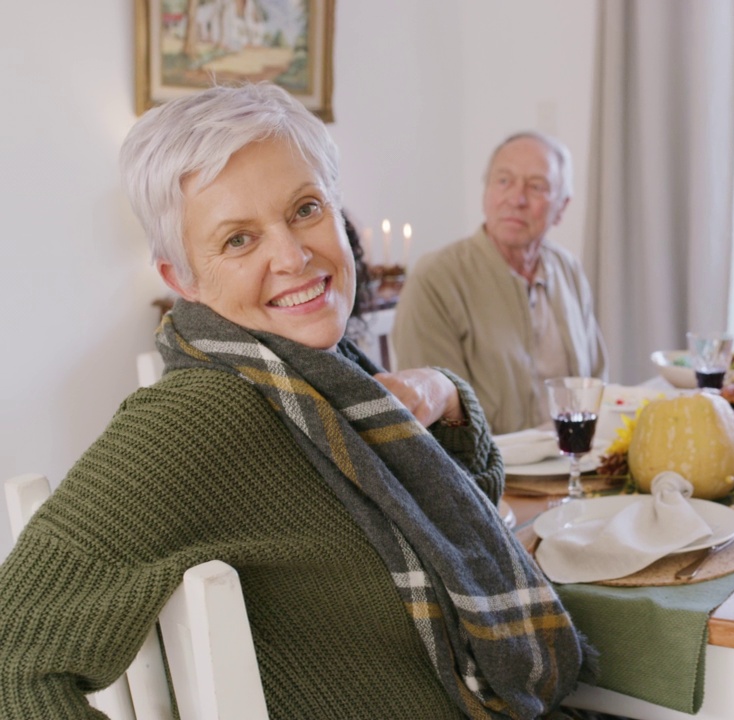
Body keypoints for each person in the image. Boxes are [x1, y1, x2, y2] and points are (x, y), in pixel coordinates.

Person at [0, 84, 592, 719]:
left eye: (306, 209)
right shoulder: (197, 418)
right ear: (180, 278)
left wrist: (447, 395)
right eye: (237, 240)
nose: (292, 255)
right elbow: (13, 662)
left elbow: (463, 524)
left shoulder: (324, 376)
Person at [392, 132, 607, 435]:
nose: (516, 199)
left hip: (574, 459)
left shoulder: (568, 269)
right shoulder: (436, 280)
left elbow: (596, 382)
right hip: (489, 476)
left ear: (562, 207)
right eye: (503, 181)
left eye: (536, 186)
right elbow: (436, 424)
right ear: (486, 193)